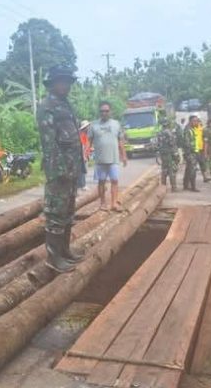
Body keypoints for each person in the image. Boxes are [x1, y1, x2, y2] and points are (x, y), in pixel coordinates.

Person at [36, 65, 85, 273]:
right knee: (55, 214)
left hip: (72, 168)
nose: (66, 86)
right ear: (53, 84)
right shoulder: (46, 106)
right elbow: (49, 144)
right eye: (61, 82)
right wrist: (60, 170)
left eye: (67, 82)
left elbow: (74, 139)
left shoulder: (66, 104)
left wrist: (78, 167)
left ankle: (65, 251)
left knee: (68, 213)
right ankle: (53, 258)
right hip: (59, 171)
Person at [88, 100, 128, 211]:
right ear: (99, 112)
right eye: (102, 111)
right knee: (101, 182)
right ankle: (102, 204)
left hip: (114, 159)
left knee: (114, 180)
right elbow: (89, 141)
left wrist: (124, 156)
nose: (104, 113)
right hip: (100, 160)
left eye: (106, 111)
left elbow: (120, 141)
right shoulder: (94, 125)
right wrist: (85, 154)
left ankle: (114, 203)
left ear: (110, 111)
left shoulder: (116, 124)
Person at [156, 118, 179, 191]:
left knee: (164, 170)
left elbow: (158, 144)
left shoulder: (159, 133)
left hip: (163, 153)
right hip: (169, 153)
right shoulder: (169, 132)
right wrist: (176, 154)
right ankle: (174, 187)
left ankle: (163, 187)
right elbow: (172, 144)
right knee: (171, 170)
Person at [182, 116, 201, 192]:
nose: (196, 122)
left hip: (193, 152)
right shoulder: (188, 130)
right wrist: (191, 151)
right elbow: (187, 143)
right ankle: (193, 187)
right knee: (192, 170)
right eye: (195, 121)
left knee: (188, 169)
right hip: (190, 153)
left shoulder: (192, 129)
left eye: (197, 121)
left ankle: (186, 185)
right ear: (190, 121)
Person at [78, 120, 91, 192]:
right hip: (83, 156)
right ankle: (82, 185)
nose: (88, 128)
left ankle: (82, 184)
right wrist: (84, 156)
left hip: (85, 155)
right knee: (83, 171)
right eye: (87, 126)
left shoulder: (85, 135)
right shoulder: (82, 135)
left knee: (84, 170)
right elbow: (82, 146)